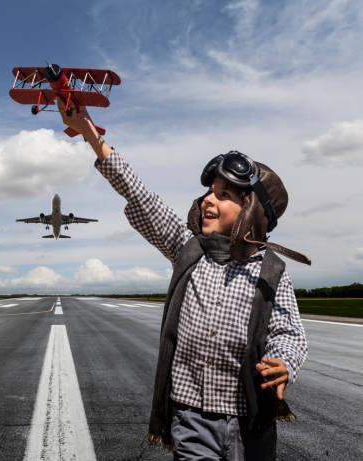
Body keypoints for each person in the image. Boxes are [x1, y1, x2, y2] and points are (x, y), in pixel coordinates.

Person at [55, 97, 310, 461]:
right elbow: (140, 196)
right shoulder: (188, 248)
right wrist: (89, 133)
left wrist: (282, 362)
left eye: (224, 195)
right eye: (209, 191)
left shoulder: (271, 272)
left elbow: (290, 333)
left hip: (248, 420)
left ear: (251, 212)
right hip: (189, 416)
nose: (209, 199)